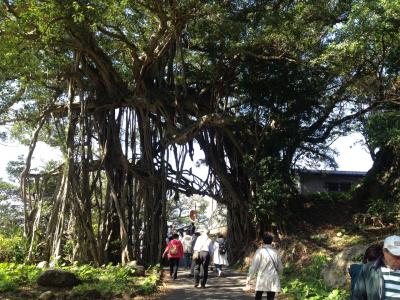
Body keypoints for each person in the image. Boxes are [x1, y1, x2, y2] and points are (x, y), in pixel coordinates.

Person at [352, 235, 400, 300]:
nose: (399, 261)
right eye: (396, 256)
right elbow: (358, 297)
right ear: (385, 252)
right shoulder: (369, 269)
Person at [245, 232, 283, 300]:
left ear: (263, 240)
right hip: (273, 278)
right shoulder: (275, 252)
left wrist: (249, 279)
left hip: (262, 278)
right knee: (271, 297)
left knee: (258, 296)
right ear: (272, 241)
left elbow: (254, 267)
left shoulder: (259, 251)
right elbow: (280, 267)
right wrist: (279, 276)